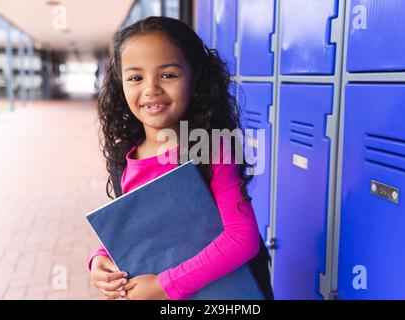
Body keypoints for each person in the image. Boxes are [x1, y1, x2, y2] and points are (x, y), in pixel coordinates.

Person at [88, 16, 274, 300]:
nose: (151, 89)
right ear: (120, 85)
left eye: (168, 75)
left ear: (196, 81)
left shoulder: (210, 150)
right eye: (136, 77)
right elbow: (135, 226)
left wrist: (164, 286)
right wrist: (101, 259)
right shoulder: (123, 158)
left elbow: (241, 238)